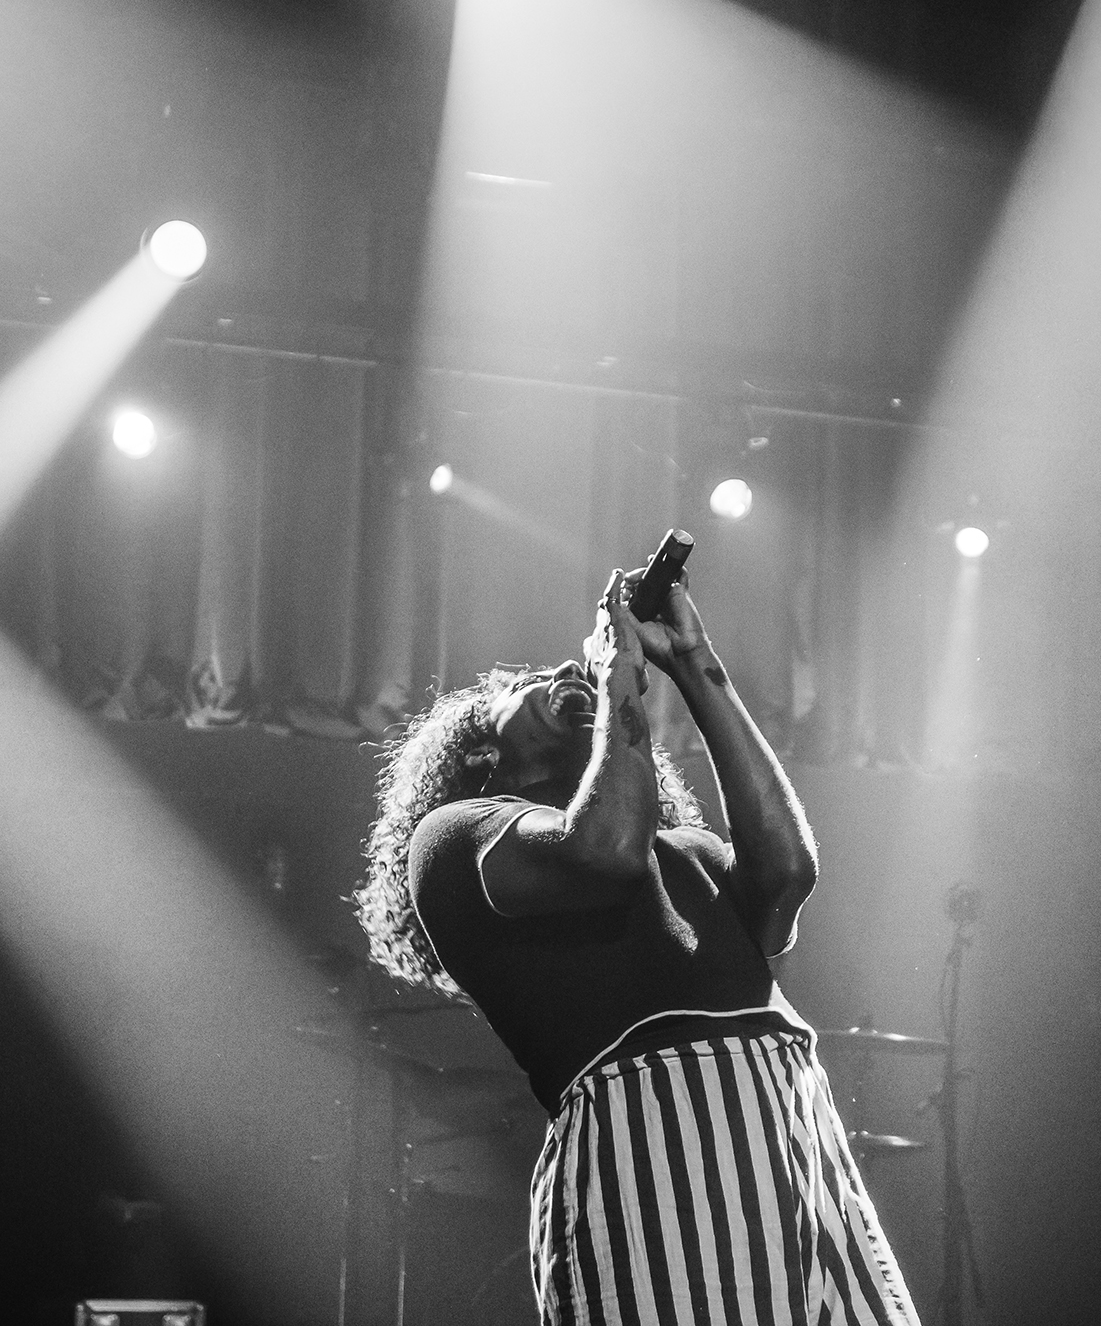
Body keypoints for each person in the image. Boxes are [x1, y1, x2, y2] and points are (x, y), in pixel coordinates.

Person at [356, 565, 918, 1326]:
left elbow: (787, 871)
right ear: (482, 746)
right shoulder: (455, 836)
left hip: (794, 1124)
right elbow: (605, 850)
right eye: (527, 682)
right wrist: (616, 674)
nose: (564, 669)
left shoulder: (683, 851)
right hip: (654, 1138)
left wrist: (696, 665)